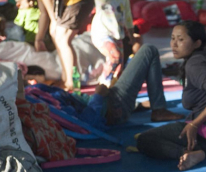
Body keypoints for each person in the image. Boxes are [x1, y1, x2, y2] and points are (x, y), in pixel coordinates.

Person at [133, 21, 206, 171]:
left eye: (181, 39)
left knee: (145, 140)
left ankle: (188, 153)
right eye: (172, 38)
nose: (174, 44)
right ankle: (200, 148)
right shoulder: (204, 59)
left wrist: (195, 123)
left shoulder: (196, 64)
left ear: (197, 43)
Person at [24, 43, 183, 128]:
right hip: (114, 105)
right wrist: (99, 95)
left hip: (108, 100)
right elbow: (87, 122)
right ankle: (159, 109)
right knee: (149, 50)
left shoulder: (33, 94)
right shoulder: (38, 103)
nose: (31, 82)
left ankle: (142, 105)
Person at [31, 0, 95, 90]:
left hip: (78, 0)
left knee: (63, 40)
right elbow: (43, 12)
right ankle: (65, 78)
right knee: (56, 36)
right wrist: (39, 39)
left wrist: (54, 20)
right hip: (72, 1)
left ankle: (71, 82)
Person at [91, 0, 135, 86]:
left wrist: (132, 36)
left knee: (119, 67)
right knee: (115, 56)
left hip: (117, 34)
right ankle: (103, 86)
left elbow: (128, 16)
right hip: (101, 33)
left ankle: (112, 90)